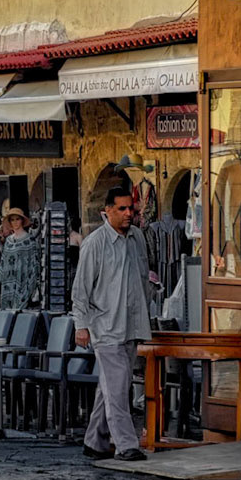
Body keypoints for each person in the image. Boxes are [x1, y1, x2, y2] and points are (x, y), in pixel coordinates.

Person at [72, 182, 151, 462]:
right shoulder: (95, 243)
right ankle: (125, 444)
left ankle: (95, 441)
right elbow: (81, 289)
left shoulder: (138, 238)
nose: (129, 213)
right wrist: (81, 325)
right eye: (122, 208)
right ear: (107, 211)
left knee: (112, 386)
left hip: (131, 325)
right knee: (118, 388)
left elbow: (142, 277)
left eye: (131, 207)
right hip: (105, 326)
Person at [0, 207, 40, 308]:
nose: (15, 222)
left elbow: (34, 265)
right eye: (12, 220)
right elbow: (3, 264)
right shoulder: (8, 241)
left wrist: (31, 286)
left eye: (17, 219)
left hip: (23, 284)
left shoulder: (29, 240)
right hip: (7, 286)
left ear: (22, 220)